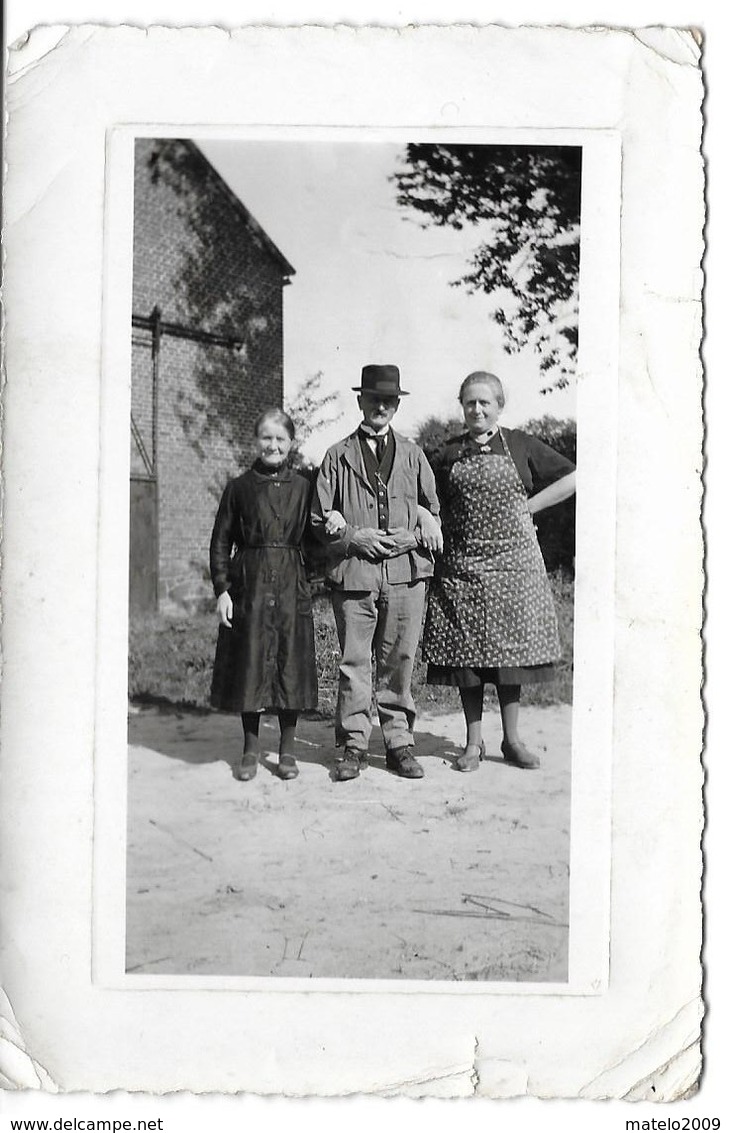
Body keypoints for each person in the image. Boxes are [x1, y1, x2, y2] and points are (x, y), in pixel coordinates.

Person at [423, 371, 576, 772]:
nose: (476, 409)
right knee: (467, 657)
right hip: (464, 567)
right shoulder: (447, 453)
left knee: (512, 658)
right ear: (462, 406)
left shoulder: (522, 444)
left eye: (484, 402)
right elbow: (421, 496)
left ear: (499, 406)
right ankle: (473, 744)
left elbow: (573, 478)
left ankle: (512, 741)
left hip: (514, 566)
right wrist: (428, 518)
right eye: (470, 402)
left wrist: (530, 507)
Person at [311, 364, 442, 781]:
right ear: (360, 401)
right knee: (354, 662)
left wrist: (414, 536)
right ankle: (352, 744)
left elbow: (432, 511)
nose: (380, 406)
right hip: (354, 575)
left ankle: (399, 742)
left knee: (399, 659)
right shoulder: (337, 456)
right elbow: (318, 520)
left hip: (405, 574)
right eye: (373, 399)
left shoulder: (413, 453)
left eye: (389, 400)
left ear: (397, 404)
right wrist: (354, 538)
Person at [209, 408, 317, 782]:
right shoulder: (238, 487)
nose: (273, 445)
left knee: (290, 665)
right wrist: (223, 589)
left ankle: (287, 750)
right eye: (266, 438)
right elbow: (221, 541)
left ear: (291, 444)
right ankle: (251, 749)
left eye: (280, 439)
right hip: (249, 585)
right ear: (256, 441)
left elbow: (316, 542)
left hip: (290, 584)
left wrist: (311, 581)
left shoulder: (305, 487)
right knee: (251, 664)